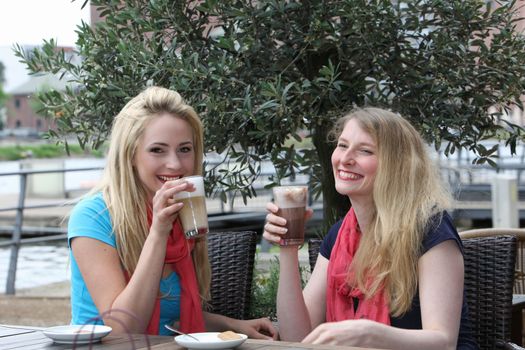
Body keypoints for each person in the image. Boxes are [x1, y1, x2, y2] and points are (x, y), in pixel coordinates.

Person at [67, 86, 277, 339]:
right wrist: (158, 234)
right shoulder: (94, 216)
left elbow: (170, 316)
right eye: (157, 150)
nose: (175, 164)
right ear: (130, 154)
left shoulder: (183, 213)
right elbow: (122, 329)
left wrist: (232, 325)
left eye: (185, 149)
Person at [263, 107, 478, 349]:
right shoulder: (339, 235)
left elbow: (443, 342)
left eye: (364, 151)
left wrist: (369, 334)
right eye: (342, 145)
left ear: (397, 165)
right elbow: (297, 338)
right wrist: (288, 250)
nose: (345, 159)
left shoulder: (430, 228)